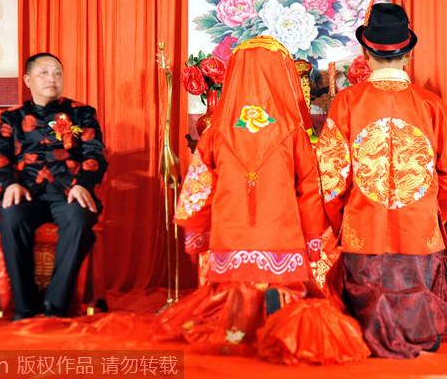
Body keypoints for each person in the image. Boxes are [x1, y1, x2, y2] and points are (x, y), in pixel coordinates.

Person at [152, 36, 361, 362]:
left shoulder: (216, 131)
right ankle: (276, 318)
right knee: (284, 289)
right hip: (280, 233)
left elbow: (199, 187)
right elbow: (310, 190)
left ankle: (237, 324)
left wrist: (198, 232)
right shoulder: (293, 132)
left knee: (231, 294)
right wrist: (311, 240)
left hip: (230, 232)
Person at [315, 2, 447, 358]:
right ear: (408, 54)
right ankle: (418, 330)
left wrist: (341, 217)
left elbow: (330, 173)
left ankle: (370, 332)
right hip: (418, 229)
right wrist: (433, 211)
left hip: (363, 226)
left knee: (362, 277)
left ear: (366, 52)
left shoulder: (346, 101)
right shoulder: (432, 104)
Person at [0, 53, 107, 321]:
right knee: (10, 218)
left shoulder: (82, 113)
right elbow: (1, 157)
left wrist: (83, 185)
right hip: (28, 193)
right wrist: (9, 184)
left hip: (69, 194)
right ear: (28, 80)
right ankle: (24, 307)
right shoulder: (12, 117)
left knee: (79, 221)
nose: (52, 78)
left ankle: (55, 307)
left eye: (57, 73)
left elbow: (94, 153)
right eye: (44, 73)